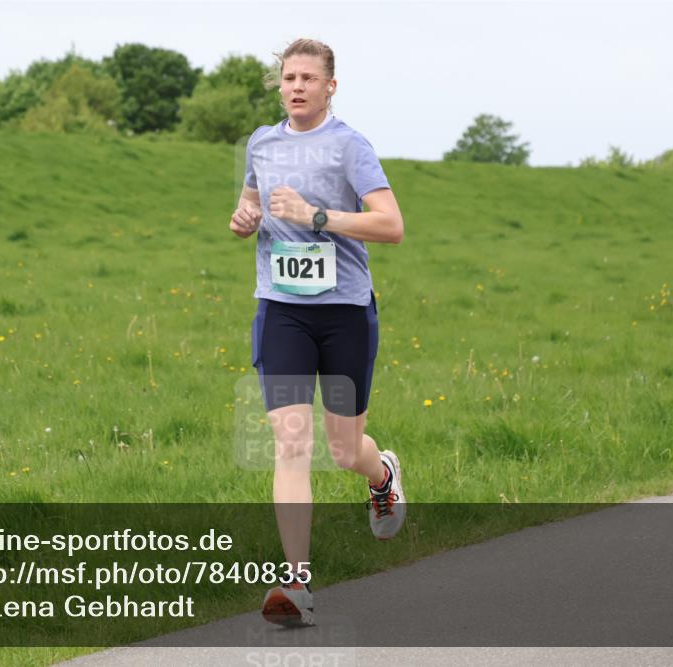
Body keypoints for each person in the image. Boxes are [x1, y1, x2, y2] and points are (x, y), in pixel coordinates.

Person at [228, 38, 406, 628]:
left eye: (308, 77)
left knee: (341, 447)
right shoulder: (262, 142)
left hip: (345, 311)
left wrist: (318, 217)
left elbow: (391, 226)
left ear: (331, 86)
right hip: (282, 310)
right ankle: (297, 583)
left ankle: (381, 473)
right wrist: (244, 218)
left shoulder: (350, 146)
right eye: (288, 77)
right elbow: (249, 209)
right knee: (292, 442)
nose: (296, 85)